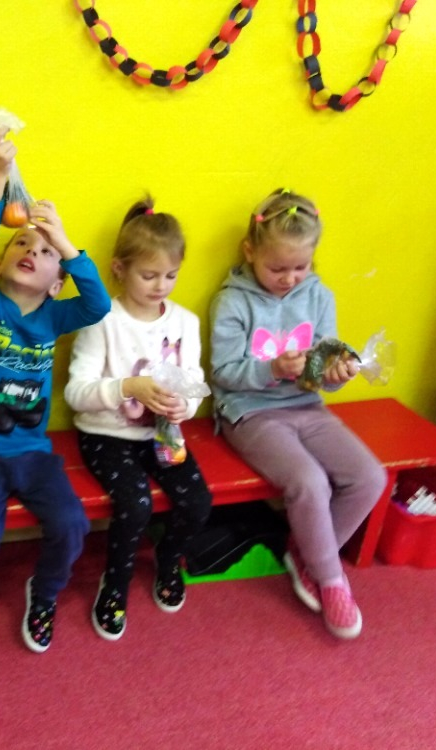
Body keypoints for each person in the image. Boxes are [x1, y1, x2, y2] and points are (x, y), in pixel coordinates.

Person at [0, 123, 111, 653]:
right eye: (21, 242)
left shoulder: (57, 317)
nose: (31, 249)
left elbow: (98, 304)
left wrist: (66, 243)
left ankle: (46, 593)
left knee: (72, 524)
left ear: (57, 283)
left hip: (32, 452)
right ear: (1, 263)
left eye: (44, 250)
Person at [208, 188, 386, 640]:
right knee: (309, 482)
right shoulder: (232, 301)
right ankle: (330, 579)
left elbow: (323, 367)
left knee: (370, 477)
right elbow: (223, 373)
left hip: (307, 406)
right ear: (250, 251)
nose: (289, 278)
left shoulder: (319, 295)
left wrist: (337, 372)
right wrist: (271, 368)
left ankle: (305, 555)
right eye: (277, 268)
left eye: (300, 267)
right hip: (249, 413)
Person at [65, 198, 213, 641]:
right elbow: (76, 393)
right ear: (119, 269)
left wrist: (183, 407)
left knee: (197, 502)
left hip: (162, 433)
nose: (160, 286)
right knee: (135, 505)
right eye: (149, 275)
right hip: (106, 434)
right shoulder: (102, 320)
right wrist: (127, 387)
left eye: (171, 275)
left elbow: (194, 382)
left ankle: (169, 560)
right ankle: (115, 585)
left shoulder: (185, 322)